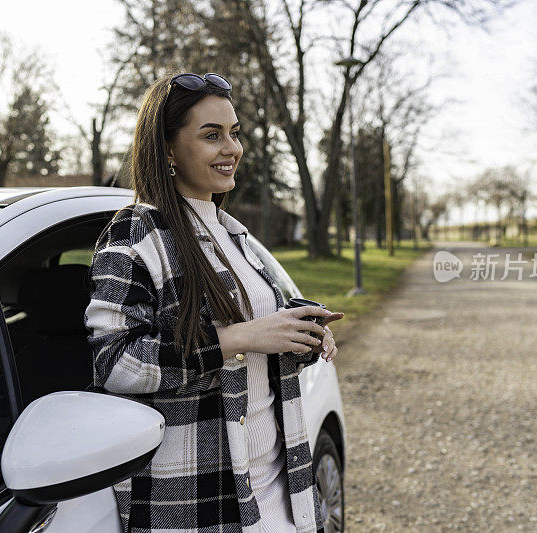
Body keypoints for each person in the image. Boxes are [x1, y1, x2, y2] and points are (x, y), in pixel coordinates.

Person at [84, 72, 344, 533]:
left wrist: (301, 332)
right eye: (211, 135)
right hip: (201, 503)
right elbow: (116, 364)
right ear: (167, 149)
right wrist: (237, 338)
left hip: (283, 488)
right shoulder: (136, 235)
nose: (232, 148)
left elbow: (256, 350)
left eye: (234, 133)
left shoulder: (233, 233)